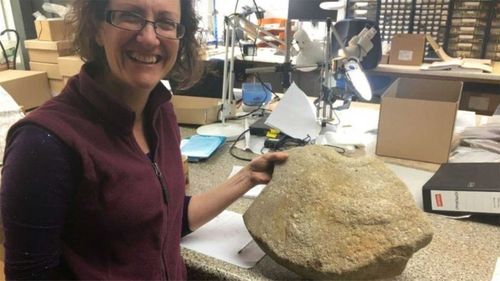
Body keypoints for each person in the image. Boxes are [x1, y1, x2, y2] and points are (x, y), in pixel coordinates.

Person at [0, 0, 287, 279]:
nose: (149, 38)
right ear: (97, 27)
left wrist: (247, 177)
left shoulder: (160, 112)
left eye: (165, 22)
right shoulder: (43, 143)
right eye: (130, 16)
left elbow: (167, 220)